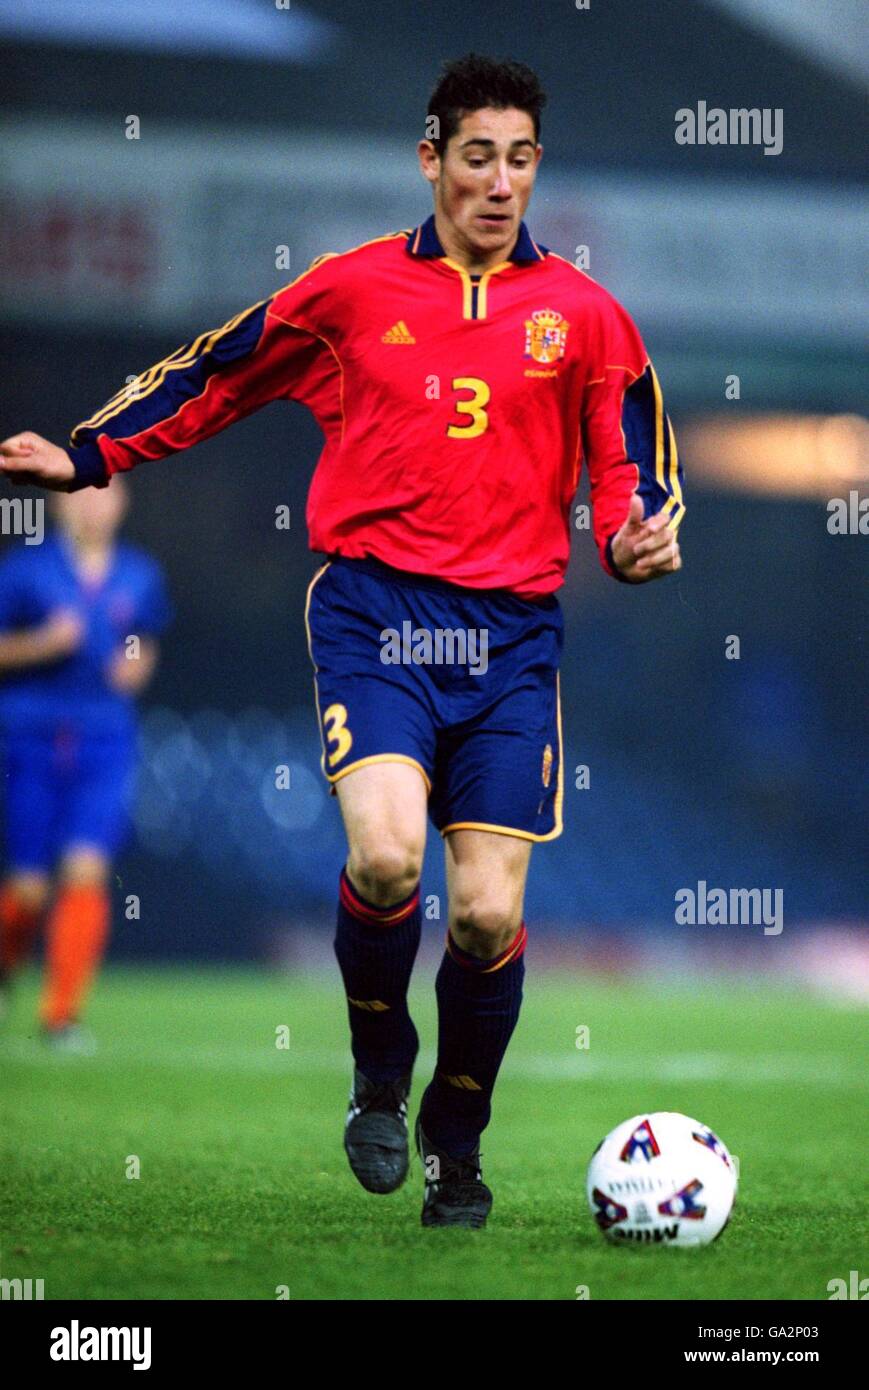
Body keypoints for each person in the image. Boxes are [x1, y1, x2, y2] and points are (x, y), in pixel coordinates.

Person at [0, 54, 683, 1222]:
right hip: (376, 616)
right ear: (431, 159)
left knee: (483, 914)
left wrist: (632, 536)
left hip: (511, 640)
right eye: (477, 156)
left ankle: (452, 1146)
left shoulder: (585, 318)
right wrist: (93, 452)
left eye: (520, 159)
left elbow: (633, 473)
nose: (500, 182)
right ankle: (378, 1070)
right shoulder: (348, 292)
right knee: (382, 860)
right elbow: (214, 374)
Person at [0, 480, 171, 1049]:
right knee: (25, 889)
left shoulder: (140, 572)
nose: (93, 503)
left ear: (123, 502)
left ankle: (61, 1016)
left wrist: (135, 665)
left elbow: (142, 640)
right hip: (29, 736)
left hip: (104, 738)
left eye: (105, 491)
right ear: (57, 502)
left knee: (86, 869)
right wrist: (41, 644)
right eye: (81, 492)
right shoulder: (24, 570)